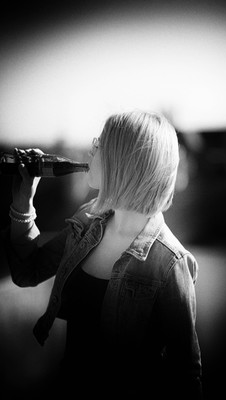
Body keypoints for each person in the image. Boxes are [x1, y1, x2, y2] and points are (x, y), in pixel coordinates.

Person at [5, 110, 202, 398]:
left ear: (122, 161)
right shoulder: (86, 222)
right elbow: (27, 272)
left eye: (100, 144)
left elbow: (186, 374)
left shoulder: (170, 263)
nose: (91, 148)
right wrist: (23, 203)